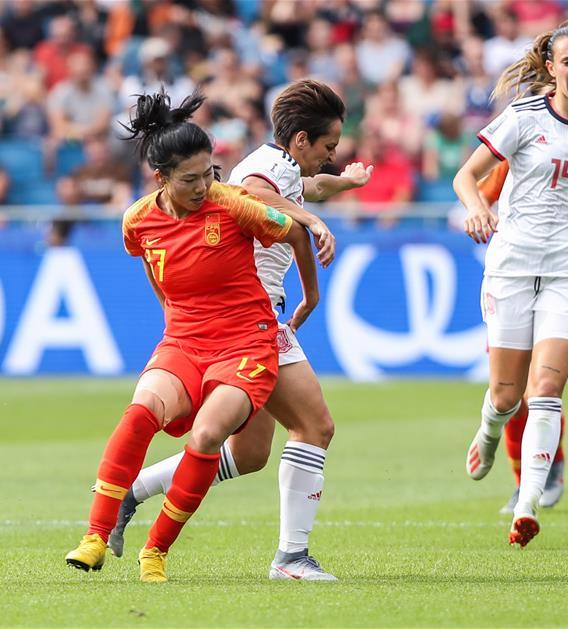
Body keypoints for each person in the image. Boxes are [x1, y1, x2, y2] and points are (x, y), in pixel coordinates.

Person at [107, 80, 372, 582]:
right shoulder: (265, 172)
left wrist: (344, 183)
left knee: (249, 454)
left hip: (245, 319)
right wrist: (312, 226)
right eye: (329, 147)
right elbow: (258, 194)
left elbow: (303, 187)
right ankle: (291, 559)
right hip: (251, 321)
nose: (331, 156)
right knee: (315, 427)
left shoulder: (281, 164)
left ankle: (133, 490)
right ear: (299, 142)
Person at [64, 90, 313, 583]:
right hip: (184, 340)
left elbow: (295, 232)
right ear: (161, 178)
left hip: (246, 341)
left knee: (207, 437)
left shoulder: (235, 205)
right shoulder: (136, 221)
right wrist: (174, 321)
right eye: (191, 179)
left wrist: (312, 297)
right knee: (139, 414)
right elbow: (158, 272)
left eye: (210, 174)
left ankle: (155, 551)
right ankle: (94, 536)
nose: (205, 186)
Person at [454, 23, 568, 547]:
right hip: (511, 266)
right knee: (506, 395)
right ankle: (489, 432)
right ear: (552, 69)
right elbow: (465, 177)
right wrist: (476, 209)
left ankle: (528, 501)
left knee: (546, 390)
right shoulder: (523, 117)